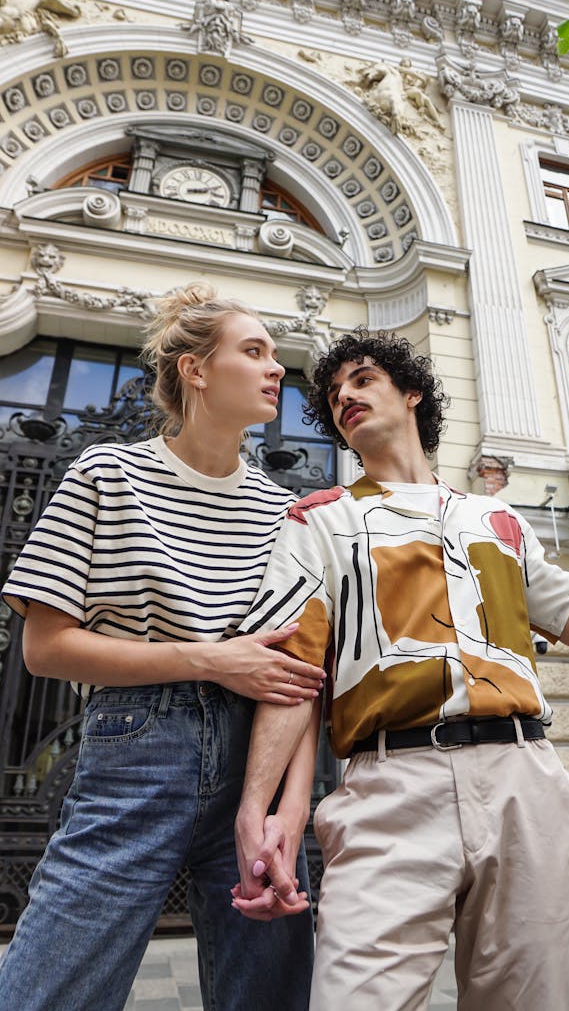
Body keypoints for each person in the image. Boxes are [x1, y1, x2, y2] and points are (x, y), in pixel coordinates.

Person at [231, 329, 569, 1011]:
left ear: (412, 393)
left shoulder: (496, 517)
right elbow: (292, 671)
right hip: (389, 787)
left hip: (526, 780)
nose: (344, 394)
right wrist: (258, 809)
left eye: (363, 378)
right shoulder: (318, 521)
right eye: (334, 391)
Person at [0, 283, 325, 1011]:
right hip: (136, 745)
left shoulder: (286, 511)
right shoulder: (105, 473)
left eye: (277, 354)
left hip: (258, 758)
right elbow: (45, 648)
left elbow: (299, 675)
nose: (276, 368)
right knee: (48, 992)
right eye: (254, 351)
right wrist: (209, 658)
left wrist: (287, 812)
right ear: (195, 370)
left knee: (269, 997)